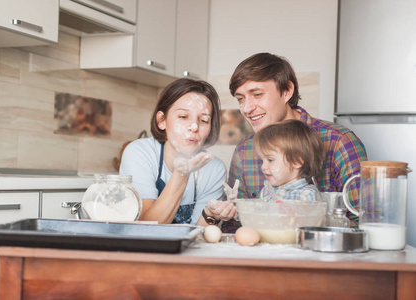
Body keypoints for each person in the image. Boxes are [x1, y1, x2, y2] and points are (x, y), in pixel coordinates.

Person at [222, 53, 367, 232]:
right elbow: (233, 225)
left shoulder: (339, 141)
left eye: (257, 94)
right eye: (241, 99)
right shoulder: (244, 150)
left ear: (287, 91)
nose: (247, 108)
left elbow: (363, 221)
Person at [120, 78, 236, 226]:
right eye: (183, 117)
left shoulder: (214, 169)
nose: (194, 126)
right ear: (162, 120)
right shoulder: (139, 153)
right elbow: (147, 227)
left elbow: (197, 236)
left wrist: (210, 214)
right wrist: (182, 174)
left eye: (204, 120)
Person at [253, 119, 325, 203]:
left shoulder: (307, 195)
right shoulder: (266, 191)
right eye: (262, 160)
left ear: (296, 161)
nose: (263, 167)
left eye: (270, 160)